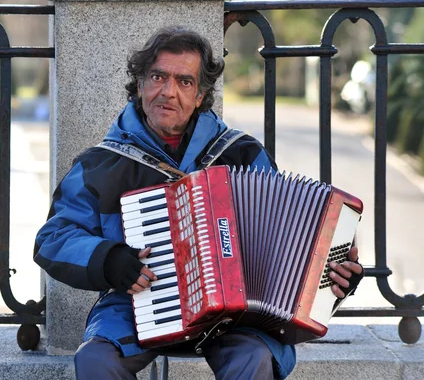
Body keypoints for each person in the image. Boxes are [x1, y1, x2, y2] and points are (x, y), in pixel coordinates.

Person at [33, 26, 364, 379]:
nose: (168, 92)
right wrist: (108, 258)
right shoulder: (101, 164)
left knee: (253, 358)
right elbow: (54, 238)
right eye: (158, 76)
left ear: (200, 93)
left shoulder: (242, 153)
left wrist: (332, 276)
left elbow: (287, 245)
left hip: (235, 313)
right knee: (96, 361)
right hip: (137, 303)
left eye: (184, 82)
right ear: (140, 83)